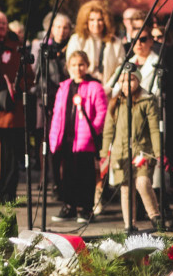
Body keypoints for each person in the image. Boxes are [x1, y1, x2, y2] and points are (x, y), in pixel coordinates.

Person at [49, 50, 107, 223]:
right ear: (68, 67)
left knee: (85, 174)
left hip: (84, 139)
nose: (77, 68)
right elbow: (57, 113)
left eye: (81, 64)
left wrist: (93, 130)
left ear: (87, 66)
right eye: (73, 65)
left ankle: (85, 208)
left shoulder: (94, 86)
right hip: (66, 138)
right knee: (66, 174)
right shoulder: (64, 86)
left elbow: (101, 112)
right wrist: (54, 136)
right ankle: (69, 206)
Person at [102, 71, 164, 232]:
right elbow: (108, 130)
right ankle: (129, 224)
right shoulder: (116, 102)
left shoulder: (147, 101)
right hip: (120, 153)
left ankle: (155, 216)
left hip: (142, 152)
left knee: (142, 182)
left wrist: (158, 152)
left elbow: (154, 129)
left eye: (130, 80)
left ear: (138, 80)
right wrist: (104, 153)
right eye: (122, 81)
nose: (126, 84)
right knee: (126, 188)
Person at [0, 11, 33, 204]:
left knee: (10, 154)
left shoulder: (16, 48)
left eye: (4, 23)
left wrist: (15, 87)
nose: (2, 27)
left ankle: (8, 194)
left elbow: (29, 76)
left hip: (10, 109)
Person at [35, 13, 73, 200]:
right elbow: (39, 76)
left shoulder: (72, 47)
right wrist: (50, 95)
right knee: (48, 143)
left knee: (66, 144)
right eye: (58, 27)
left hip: (69, 99)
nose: (61, 31)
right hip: (48, 101)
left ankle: (64, 182)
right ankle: (50, 179)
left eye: (65, 27)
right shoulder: (43, 48)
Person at [66, 0, 125, 92]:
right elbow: (72, 67)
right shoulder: (76, 39)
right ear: (86, 21)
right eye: (92, 20)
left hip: (107, 92)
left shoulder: (116, 42)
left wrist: (106, 89)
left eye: (100, 20)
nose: (96, 24)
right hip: (82, 92)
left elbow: (119, 69)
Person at [109, 26, 161, 98]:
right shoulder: (127, 63)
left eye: (143, 39)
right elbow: (114, 87)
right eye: (134, 40)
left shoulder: (159, 63)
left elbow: (157, 91)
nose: (138, 43)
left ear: (151, 41)